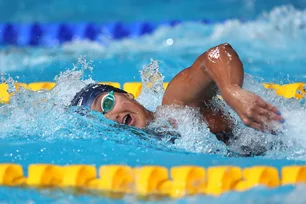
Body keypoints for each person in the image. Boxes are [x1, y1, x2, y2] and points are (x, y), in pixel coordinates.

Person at [70, 43, 285, 145]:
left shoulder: (176, 106)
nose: (110, 118)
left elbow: (216, 55)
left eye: (106, 104)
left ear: (127, 95)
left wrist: (231, 91)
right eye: (100, 119)